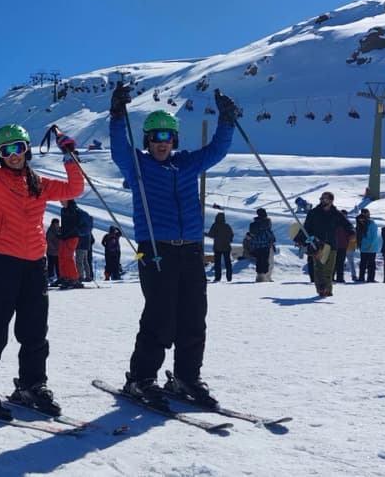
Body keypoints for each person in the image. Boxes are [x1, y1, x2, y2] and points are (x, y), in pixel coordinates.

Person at [0, 96, 83, 420]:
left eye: (18, 148)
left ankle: (32, 384)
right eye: (6, 150)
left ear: (27, 150)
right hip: (4, 262)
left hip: (35, 264)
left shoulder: (40, 184)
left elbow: (75, 189)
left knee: (34, 329)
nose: (13, 155)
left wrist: (70, 156)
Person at [108, 84, 235, 410]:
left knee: (194, 317)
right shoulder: (138, 166)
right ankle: (141, 378)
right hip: (156, 249)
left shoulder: (187, 164)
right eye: (155, 137)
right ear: (147, 140)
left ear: (174, 139)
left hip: (190, 250)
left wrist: (226, 120)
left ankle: (186, 377)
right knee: (160, 316)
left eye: (167, 136)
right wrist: (117, 115)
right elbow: (119, 148)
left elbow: (217, 150)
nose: (161, 142)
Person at [303, 192, 354, 297]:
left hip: (332, 245)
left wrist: (352, 232)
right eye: (321, 198)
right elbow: (306, 228)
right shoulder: (313, 213)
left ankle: (327, 289)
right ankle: (321, 289)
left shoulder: (336, 214)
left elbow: (347, 224)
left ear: (331, 200)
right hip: (317, 245)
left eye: (325, 199)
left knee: (329, 269)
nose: (322, 200)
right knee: (319, 268)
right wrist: (304, 240)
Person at [57, 200, 82, 289]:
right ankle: (65, 276)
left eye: (62, 200)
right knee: (61, 256)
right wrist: (61, 233)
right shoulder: (64, 210)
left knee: (68, 257)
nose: (60, 201)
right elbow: (65, 225)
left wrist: (66, 234)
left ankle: (73, 278)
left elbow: (74, 226)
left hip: (72, 237)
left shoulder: (74, 210)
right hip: (65, 237)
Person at [247, 209, 276, 282]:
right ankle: (264, 277)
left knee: (259, 261)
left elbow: (251, 235)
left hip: (256, 245)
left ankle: (259, 276)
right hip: (266, 245)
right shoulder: (266, 223)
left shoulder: (253, 224)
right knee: (266, 261)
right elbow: (269, 234)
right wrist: (272, 240)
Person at [206, 212, 234, 283]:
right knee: (228, 263)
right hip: (226, 247)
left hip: (217, 247)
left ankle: (217, 277)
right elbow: (231, 235)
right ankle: (229, 277)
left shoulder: (215, 225)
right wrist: (229, 240)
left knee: (217, 263)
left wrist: (207, 234)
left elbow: (211, 234)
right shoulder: (227, 226)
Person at [356, 210, 380, 283]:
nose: (361, 221)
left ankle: (371, 278)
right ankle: (361, 277)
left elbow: (374, 236)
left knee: (371, 263)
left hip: (371, 247)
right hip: (363, 247)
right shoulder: (359, 226)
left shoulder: (372, 224)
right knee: (363, 263)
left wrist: (371, 245)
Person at [45, 219, 61, 284]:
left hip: (58, 252)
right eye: (57, 223)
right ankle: (51, 277)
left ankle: (59, 277)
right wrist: (54, 248)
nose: (58, 225)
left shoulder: (59, 229)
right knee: (51, 265)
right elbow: (49, 241)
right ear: (53, 223)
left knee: (58, 265)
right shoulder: (50, 231)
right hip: (51, 252)